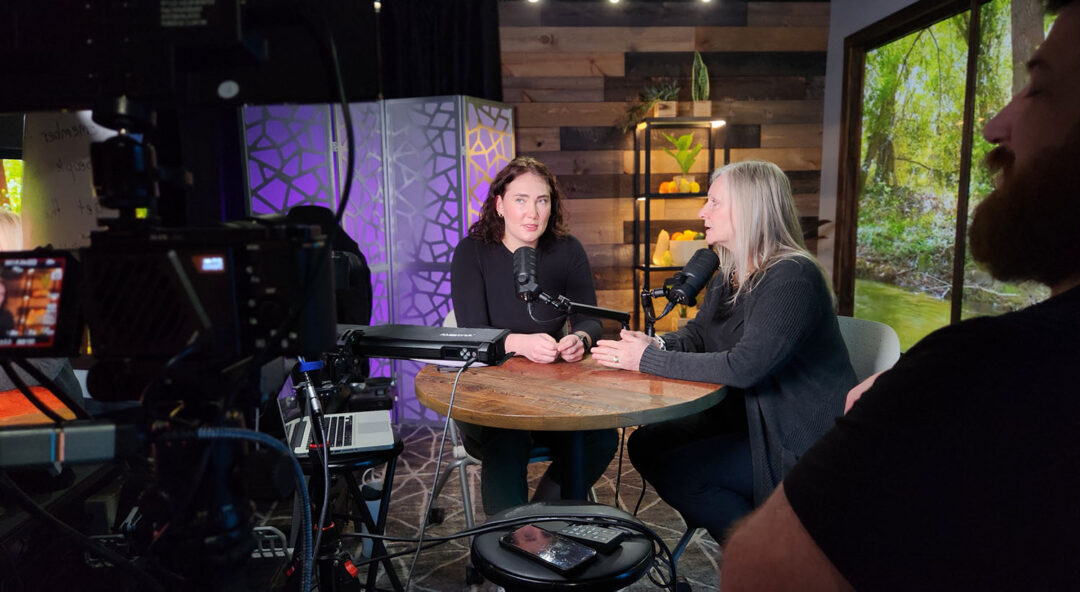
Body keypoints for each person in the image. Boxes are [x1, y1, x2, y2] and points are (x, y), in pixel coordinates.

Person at [721, 2, 1080, 589]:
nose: (994, 125)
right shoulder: (728, 272)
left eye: (1038, 90)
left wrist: (916, 398)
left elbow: (756, 571)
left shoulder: (982, 370)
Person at [591, 160, 856, 543]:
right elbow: (699, 334)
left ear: (750, 208)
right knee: (646, 444)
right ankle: (754, 533)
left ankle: (765, 560)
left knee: (684, 472)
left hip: (792, 441)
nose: (703, 212)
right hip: (745, 419)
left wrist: (647, 360)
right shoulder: (731, 274)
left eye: (714, 202)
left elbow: (745, 367)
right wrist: (657, 344)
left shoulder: (792, 277)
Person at [450, 156, 617, 515]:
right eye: (521, 200)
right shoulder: (472, 252)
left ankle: (541, 517)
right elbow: (471, 331)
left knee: (600, 438)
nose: (532, 212)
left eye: (542, 200)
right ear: (500, 205)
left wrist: (580, 339)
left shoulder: (567, 250)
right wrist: (520, 343)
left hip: (550, 394)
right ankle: (506, 537)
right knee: (507, 434)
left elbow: (590, 320)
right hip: (489, 395)